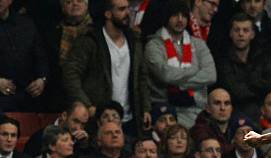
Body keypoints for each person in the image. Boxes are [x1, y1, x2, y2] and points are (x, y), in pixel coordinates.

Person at [62, 0, 151, 135]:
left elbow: (142, 76)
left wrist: (145, 108)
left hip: (129, 118)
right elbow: (71, 73)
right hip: (98, 117)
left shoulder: (134, 40)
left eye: (127, 9)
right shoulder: (89, 40)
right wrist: (87, 104)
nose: (127, 13)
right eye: (121, 9)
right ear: (108, 14)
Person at [145, 0, 217, 127]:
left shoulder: (198, 44)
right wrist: (194, 69)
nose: (180, 20)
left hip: (196, 107)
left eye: (184, 16)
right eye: (175, 15)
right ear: (166, 17)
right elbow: (166, 75)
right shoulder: (154, 45)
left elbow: (211, 75)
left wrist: (180, 85)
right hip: (165, 109)